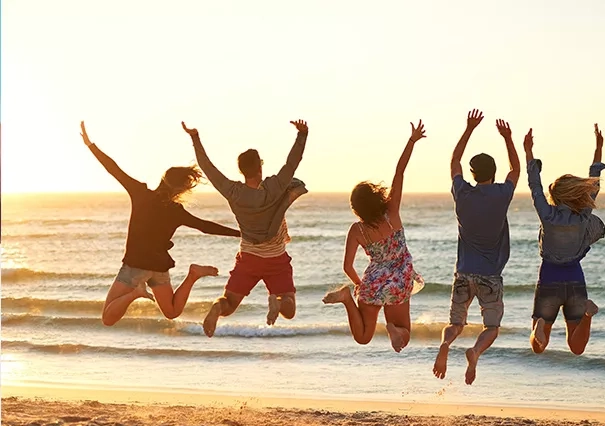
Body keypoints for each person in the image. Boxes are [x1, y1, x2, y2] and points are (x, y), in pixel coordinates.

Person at [80, 121, 240, 327]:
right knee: (172, 312)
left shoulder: (140, 193)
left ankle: (136, 293)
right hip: (158, 266)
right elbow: (205, 226)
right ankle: (192, 275)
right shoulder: (176, 211)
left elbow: (114, 169)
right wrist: (241, 233)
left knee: (108, 318)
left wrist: (90, 145)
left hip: (136, 266)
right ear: (180, 189)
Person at [181, 120, 310, 337]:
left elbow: (207, 167)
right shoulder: (275, 186)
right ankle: (278, 302)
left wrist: (195, 138)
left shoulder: (233, 192)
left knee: (229, 303)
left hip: (249, 258)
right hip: (276, 258)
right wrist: (302, 134)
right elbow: (292, 162)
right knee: (289, 308)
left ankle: (216, 309)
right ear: (260, 167)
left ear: (241, 171)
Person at [432, 109, 521, 385]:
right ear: (493, 173)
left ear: (472, 173)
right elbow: (515, 170)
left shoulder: (462, 193)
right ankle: (475, 352)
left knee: (455, 323)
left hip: (463, 273)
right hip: (490, 276)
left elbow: (454, 161)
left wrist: (469, 128)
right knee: (491, 327)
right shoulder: (502, 194)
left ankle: (446, 344)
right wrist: (508, 138)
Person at [321, 121, 426, 352]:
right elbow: (399, 172)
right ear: (377, 197)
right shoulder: (392, 212)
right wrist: (412, 141)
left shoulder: (357, 230)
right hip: (399, 278)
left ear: (356, 209)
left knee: (362, 337)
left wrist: (361, 286)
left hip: (373, 280)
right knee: (405, 335)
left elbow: (347, 266)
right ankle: (394, 329)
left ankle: (346, 298)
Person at [526, 124, 605, 355]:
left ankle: (540, 326)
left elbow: (534, 186)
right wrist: (598, 148)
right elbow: (594, 183)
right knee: (577, 347)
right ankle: (588, 315)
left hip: (549, 276)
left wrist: (529, 151)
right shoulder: (583, 216)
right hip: (574, 277)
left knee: (538, 348)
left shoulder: (547, 214)